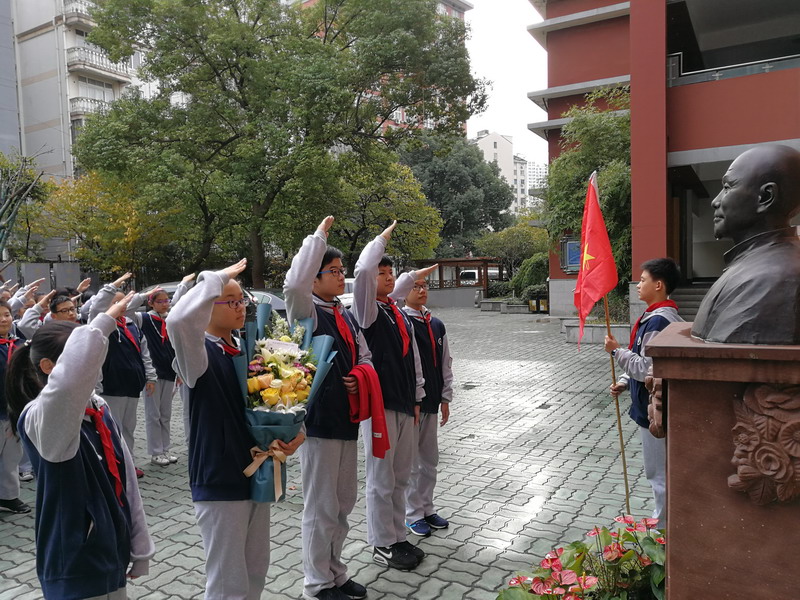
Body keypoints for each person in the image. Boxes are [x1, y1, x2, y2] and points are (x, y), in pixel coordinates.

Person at [168, 259, 304, 600]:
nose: (239, 306)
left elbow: (284, 402)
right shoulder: (197, 354)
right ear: (206, 306)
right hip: (219, 477)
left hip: (258, 468)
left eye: (241, 299)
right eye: (229, 300)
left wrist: (294, 436)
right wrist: (215, 278)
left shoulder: (253, 350)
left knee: (256, 568)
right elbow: (179, 320)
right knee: (228, 579)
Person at [6, 293, 155, 600]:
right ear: (49, 366)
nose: (92, 366)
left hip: (111, 549)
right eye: (84, 357)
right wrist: (101, 323)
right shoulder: (40, 418)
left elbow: (126, 480)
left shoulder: (97, 407)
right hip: (74, 559)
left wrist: (140, 546)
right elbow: (67, 385)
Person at [284, 216, 373, 600]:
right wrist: (317, 239)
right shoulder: (306, 312)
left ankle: (336, 572)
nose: (341, 277)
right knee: (320, 507)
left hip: (347, 420)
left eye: (342, 271)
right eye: (332, 271)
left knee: (343, 503)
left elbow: (365, 356)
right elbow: (292, 283)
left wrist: (361, 374)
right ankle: (316, 583)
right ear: (315, 279)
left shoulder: (346, 314)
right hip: (318, 423)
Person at [352, 221, 426, 571]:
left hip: (403, 404)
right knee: (381, 479)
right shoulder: (365, 311)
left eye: (390, 273)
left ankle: (397, 535)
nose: (386, 277)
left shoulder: (394, 310)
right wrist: (381, 239)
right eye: (382, 273)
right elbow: (364, 269)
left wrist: (416, 397)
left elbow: (410, 359)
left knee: (401, 476)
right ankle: (382, 542)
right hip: (379, 407)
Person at [691, 144, 800, 344]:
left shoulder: (774, 279)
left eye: (727, 187)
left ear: (766, 197)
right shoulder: (751, 266)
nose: (715, 201)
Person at [604, 258, 683, 530]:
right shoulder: (655, 317)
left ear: (658, 285)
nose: (638, 285)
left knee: (658, 473)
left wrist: (616, 351)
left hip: (656, 411)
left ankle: (662, 531)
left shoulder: (659, 321)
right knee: (660, 471)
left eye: (643, 280)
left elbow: (648, 367)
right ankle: (664, 521)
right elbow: (641, 360)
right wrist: (625, 381)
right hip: (650, 407)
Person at [393, 276, 452, 537]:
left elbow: (445, 362)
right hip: (412, 403)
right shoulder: (403, 323)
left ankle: (427, 508)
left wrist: (446, 398)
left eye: (424, 286)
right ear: (403, 292)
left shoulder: (436, 324)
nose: (421, 290)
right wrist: (415, 398)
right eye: (415, 286)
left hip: (432, 402)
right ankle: (412, 513)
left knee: (429, 459)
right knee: (412, 463)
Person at [88, 273, 156, 478]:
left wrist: (150, 377)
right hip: (111, 386)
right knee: (112, 428)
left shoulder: (131, 324)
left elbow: (145, 353)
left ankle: (128, 463)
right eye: (116, 302)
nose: (121, 306)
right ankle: (113, 465)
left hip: (132, 385)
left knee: (128, 428)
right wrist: (113, 286)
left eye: (123, 302)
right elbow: (96, 307)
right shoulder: (100, 326)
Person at [140, 275, 194, 467]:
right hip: (153, 375)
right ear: (151, 303)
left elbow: (179, 303)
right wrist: (145, 293)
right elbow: (128, 309)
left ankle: (165, 448)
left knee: (165, 414)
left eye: (166, 300)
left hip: (170, 373)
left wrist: (183, 284)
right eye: (160, 301)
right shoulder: (144, 319)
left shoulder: (169, 320)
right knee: (152, 414)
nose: (165, 304)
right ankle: (155, 452)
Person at [0, 300, 30, 514]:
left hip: (13, 409)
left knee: (12, 455)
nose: (4, 319)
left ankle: (9, 496)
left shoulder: (20, 344)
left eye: (7, 314)